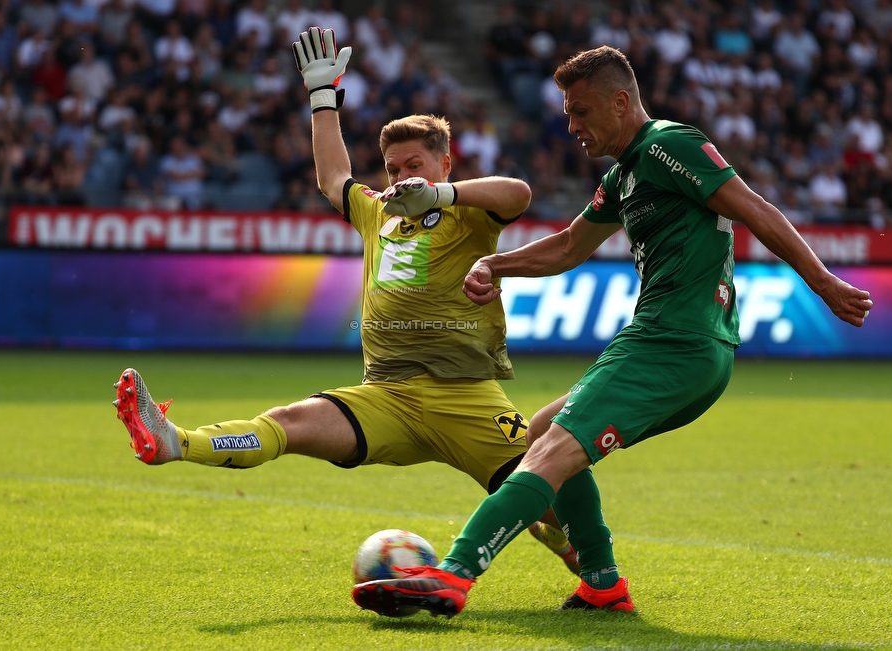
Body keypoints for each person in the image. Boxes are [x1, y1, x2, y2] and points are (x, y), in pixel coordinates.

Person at [351, 45, 873, 619]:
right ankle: (602, 583)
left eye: (580, 111)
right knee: (546, 428)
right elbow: (571, 245)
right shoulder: (625, 173)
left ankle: (452, 575)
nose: (571, 126)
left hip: (678, 343)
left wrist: (822, 283)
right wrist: (494, 265)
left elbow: (754, 208)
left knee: (551, 448)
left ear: (620, 102)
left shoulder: (669, 145)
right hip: (665, 342)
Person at [111, 27, 613, 585]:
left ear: (446, 164)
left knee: (545, 496)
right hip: (387, 397)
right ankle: (175, 443)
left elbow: (518, 193)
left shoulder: (466, 211)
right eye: (394, 169)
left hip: (465, 398)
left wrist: (441, 195)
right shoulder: (377, 211)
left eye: (415, 165)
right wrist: (323, 97)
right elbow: (333, 178)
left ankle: (580, 559)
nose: (402, 177)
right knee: (287, 423)